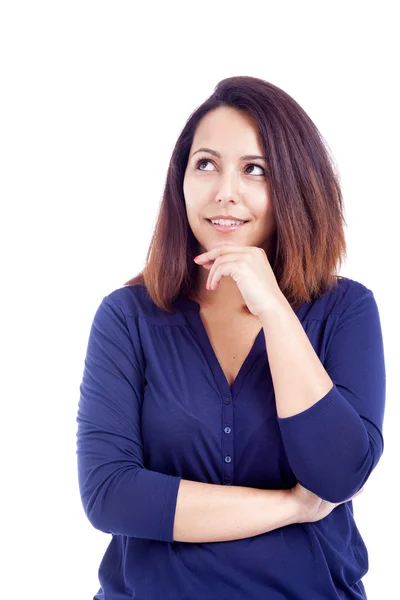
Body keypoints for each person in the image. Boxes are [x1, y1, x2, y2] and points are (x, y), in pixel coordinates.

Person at [76, 76, 386, 599]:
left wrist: (273, 308)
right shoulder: (127, 317)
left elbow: (338, 475)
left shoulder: (346, 310)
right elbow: (110, 496)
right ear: (182, 180)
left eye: (254, 170)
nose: (225, 191)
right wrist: (291, 506)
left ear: (295, 184)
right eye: (206, 164)